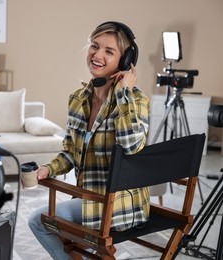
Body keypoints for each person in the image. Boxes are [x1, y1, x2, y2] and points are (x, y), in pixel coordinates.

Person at [28, 21, 150, 259]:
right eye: (94, 46)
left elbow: (132, 148)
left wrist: (123, 93)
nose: (98, 54)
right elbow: (70, 153)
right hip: (89, 198)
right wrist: (47, 169)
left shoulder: (135, 100)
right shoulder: (77, 99)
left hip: (119, 205)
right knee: (62, 235)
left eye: (109, 51)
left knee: (37, 222)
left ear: (125, 61)